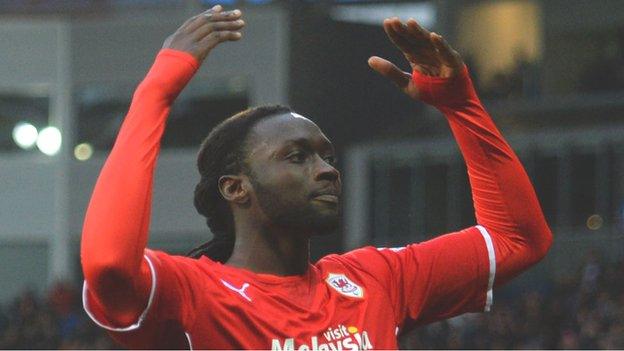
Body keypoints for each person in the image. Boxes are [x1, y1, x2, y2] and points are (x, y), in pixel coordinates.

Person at [80, 5, 552, 350]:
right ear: (235, 187)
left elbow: (518, 239)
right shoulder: (191, 292)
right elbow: (107, 265)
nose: (326, 169)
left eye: (326, 156)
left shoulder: (376, 280)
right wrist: (156, 93)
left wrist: (461, 105)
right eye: (297, 156)